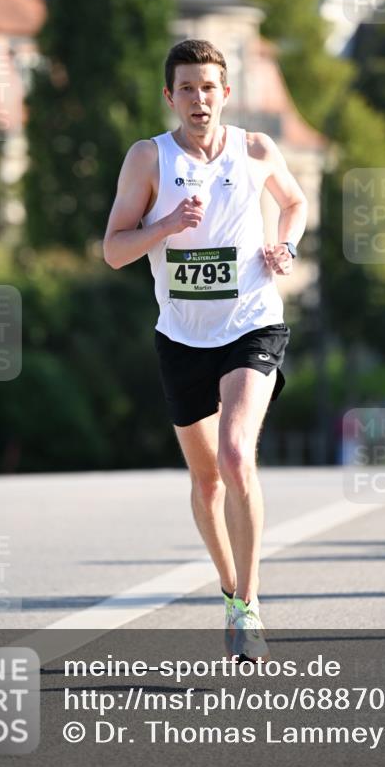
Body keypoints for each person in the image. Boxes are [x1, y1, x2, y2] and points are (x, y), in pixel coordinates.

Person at [103, 39, 308, 658]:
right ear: (170, 96)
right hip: (181, 336)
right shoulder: (148, 159)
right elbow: (114, 250)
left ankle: (249, 604)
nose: (199, 99)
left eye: (209, 87)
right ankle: (228, 592)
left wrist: (285, 247)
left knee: (235, 456)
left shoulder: (255, 149)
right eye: (186, 88)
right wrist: (164, 227)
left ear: (225, 93)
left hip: (251, 323)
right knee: (206, 479)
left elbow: (295, 203)